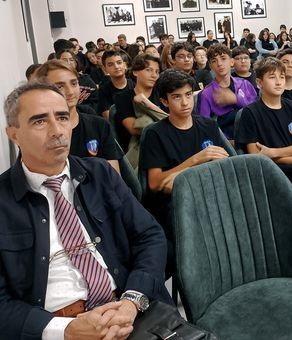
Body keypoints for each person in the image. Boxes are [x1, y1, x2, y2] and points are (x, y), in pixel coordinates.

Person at [1, 81, 171, 339]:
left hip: (126, 309)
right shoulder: (3, 201)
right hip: (56, 325)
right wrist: (64, 330)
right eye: (39, 121)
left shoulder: (99, 174)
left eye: (62, 117)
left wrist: (131, 301)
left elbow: (150, 236)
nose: (57, 130)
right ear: (13, 134)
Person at [139, 69, 231, 273]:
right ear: (164, 101)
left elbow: (221, 166)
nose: (185, 102)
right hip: (174, 203)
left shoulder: (208, 125)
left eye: (188, 95)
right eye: (176, 97)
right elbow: (155, 184)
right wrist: (196, 159)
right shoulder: (155, 133)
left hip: (207, 192)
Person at [235, 57, 292, 194]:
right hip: (271, 171)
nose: (278, 82)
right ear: (259, 83)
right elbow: (255, 154)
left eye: (281, 77)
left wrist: (272, 152)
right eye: (272, 77)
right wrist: (288, 159)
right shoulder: (250, 113)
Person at [34, 59, 122, 173]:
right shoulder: (38, 133)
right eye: (60, 86)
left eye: (74, 83)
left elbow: (114, 178)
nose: (70, 91)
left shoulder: (99, 125)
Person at [197, 44, 257, 138]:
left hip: (252, 134)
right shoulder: (206, 94)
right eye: (214, 61)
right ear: (210, 66)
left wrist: (236, 100)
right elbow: (204, 127)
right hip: (226, 141)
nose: (219, 64)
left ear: (231, 62)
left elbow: (257, 112)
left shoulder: (245, 84)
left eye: (223, 58)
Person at [97, 50, 134, 119]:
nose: (116, 67)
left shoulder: (134, 84)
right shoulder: (103, 90)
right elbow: (109, 118)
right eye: (110, 64)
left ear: (125, 65)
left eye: (119, 63)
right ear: (105, 69)